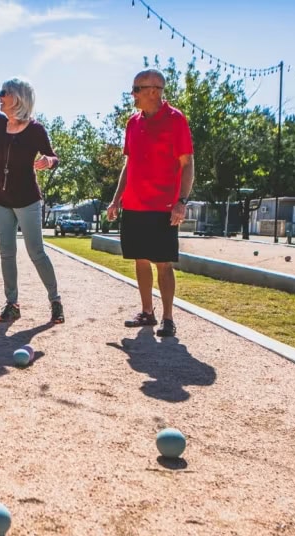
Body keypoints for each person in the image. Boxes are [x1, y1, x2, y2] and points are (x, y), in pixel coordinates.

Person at [0, 51, 63, 324]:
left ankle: (55, 301)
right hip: (1, 200)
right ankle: (12, 304)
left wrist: (48, 161)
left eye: (3, 92)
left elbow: (54, 157)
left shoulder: (36, 129)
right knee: (7, 253)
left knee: (36, 252)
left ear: (17, 96)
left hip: (28, 200)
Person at [106, 69, 194, 338]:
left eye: (136, 89)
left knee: (163, 263)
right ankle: (147, 312)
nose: (132, 94)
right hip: (134, 205)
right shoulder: (133, 123)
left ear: (153, 91)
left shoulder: (176, 120)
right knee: (140, 259)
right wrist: (116, 199)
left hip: (163, 206)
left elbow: (187, 163)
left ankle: (168, 318)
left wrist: (181, 201)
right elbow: (129, 164)